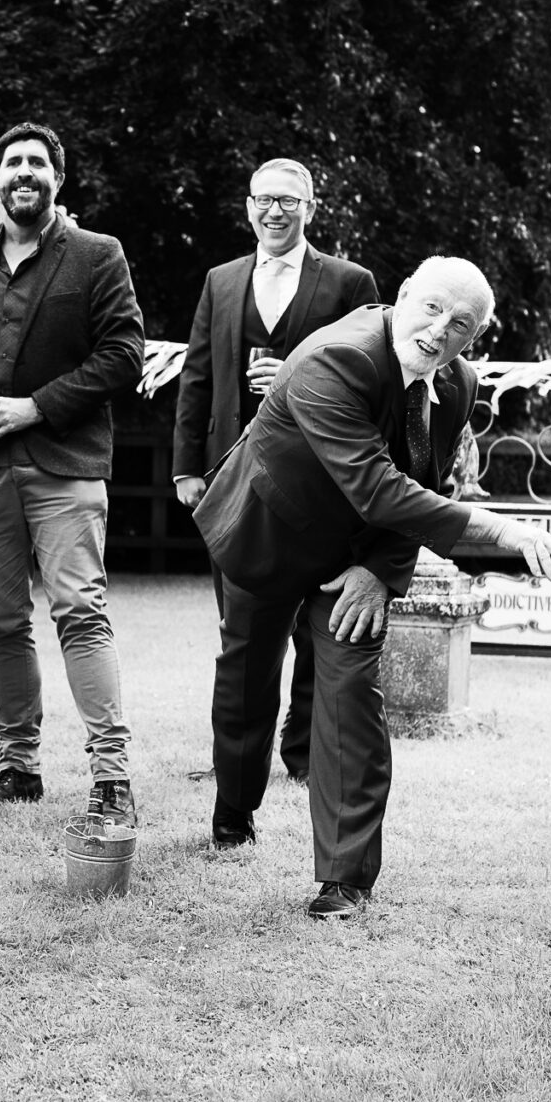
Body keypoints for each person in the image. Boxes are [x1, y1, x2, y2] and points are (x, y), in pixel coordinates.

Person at [194, 258, 551, 918]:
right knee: (248, 682)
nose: (439, 331)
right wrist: (498, 529)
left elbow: (430, 485)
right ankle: (234, 809)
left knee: (349, 692)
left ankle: (343, 881)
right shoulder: (334, 359)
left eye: (461, 324)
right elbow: (375, 483)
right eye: (431, 308)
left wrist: (381, 570)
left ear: (475, 335)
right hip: (269, 531)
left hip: (360, 554)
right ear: (403, 295)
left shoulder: (457, 384)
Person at [0, 121, 146, 823]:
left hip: (64, 463)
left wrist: (35, 407)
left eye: (37, 162)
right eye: (12, 162)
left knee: (80, 612)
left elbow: (124, 354)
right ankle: (18, 765)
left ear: (57, 179)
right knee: (0, 621)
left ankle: (112, 776)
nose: (23, 172)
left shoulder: (97, 254)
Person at [172, 159, 380, 783]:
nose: (275, 212)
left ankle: (305, 753)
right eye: (264, 200)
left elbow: (373, 375)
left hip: (319, 485)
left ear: (310, 209)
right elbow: (198, 376)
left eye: (288, 201)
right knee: (242, 631)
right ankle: (236, 757)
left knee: (316, 636)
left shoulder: (349, 281)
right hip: (232, 483)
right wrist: (188, 467)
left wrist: (296, 370)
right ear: (248, 207)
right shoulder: (222, 279)